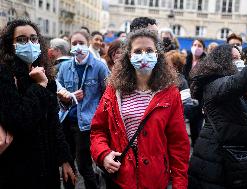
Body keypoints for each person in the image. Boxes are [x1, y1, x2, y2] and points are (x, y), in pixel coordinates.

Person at [90, 29, 190, 189]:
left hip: (155, 179)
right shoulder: (113, 90)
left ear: (157, 55)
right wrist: (103, 154)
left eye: (149, 50)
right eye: (138, 51)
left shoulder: (170, 93)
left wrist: (179, 184)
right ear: (129, 56)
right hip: (121, 177)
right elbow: (98, 130)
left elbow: (178, 143)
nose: (144, 55)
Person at [188, 41, 247, 189]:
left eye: (240, 58)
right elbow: (242, 80)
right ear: (221, 62)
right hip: (216, 162)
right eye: (233, 59)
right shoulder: (214, 84)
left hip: (229, 161)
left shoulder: (225, 87)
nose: (239, 62)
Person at [0, 19, 76, 189]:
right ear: (9, 44)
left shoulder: (44, 74)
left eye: (34, 39)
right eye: (21, 39)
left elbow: (53, 123)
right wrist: (39, 86)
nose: (29, 43)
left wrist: (64, 159)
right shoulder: (5, 74)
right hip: (17, 169)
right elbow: (19, 120)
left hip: (46, 166)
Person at [57, 30, 109, 189]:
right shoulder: (65, 67)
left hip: (86, 124)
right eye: (74, 43)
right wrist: (66, 97)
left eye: (81, 43)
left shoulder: (99, 66)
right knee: (66, 164)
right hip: (66, 120)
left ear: (88, 44)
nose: (78, 47)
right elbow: (58, 89)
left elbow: (108, 95)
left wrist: (100, 118)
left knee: (84, 165)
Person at [183, 38, 206, 147]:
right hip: (186, 96)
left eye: (199, 46)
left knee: (197, 126)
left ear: (203, 48)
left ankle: (196, 147)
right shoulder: (186, 60)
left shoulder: (206, 62)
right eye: (195, 45)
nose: (196, 48)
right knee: (188, 126)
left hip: (199, 98)